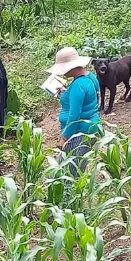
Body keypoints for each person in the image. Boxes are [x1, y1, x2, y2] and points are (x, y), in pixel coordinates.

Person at [47, 47, 101, 176]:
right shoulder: (90, 77)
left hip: (78, 133)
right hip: (90, 128)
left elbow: (74, 115)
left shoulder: (78, 85)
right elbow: (88, 100)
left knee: (70, 172)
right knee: (74, 167)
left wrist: (64, 138)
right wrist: (67, 93)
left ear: (72, 67)